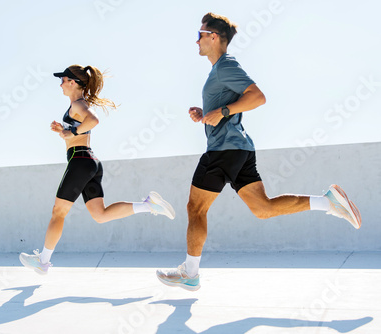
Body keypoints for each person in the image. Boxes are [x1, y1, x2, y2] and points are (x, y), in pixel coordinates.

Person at [156, 13, 362, 291]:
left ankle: (190, 273)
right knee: (263, 208)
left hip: (224, 151)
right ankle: (329, 202)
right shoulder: (219, 69)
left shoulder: (226, 66)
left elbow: (257, 97)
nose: (197, 40)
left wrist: (224, 111)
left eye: (201, 34)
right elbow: (229, 106)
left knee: (195, 208)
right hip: (238, 149)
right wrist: (207, 114)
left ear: (214, 37)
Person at [20, 65, 175, 275]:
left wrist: (71, 130)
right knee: (100, 215)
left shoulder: (78, 104)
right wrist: (64, 131)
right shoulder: (78, 105)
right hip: (90, 160)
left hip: (80, 160)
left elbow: (93, 120)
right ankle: (149, 206)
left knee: (58, 212)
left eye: (63, 80)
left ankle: (43, 262)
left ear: (73, 82)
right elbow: (81, 130)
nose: (60, 84)